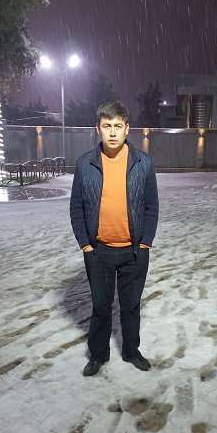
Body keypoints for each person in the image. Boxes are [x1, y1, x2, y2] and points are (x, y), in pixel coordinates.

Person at [70, 101, 159, 376]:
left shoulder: (143, 163)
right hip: (99, 252)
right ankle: (98, 355)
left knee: (131, 306)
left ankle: (131, 351)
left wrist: (145, 243)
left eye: (118, 126)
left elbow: (152, 206)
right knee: (100, 306)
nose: (112, 132)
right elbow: (76, 208)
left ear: (127, 128)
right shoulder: (85, 164)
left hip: (134, 251)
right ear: (98, 128)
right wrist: (86, 245)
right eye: (107, 126)